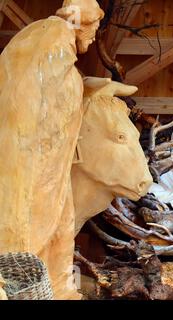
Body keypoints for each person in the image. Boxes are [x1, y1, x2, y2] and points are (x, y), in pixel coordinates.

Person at [0, 0, 104, 299]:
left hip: (52, 162)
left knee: (58, 227)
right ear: (81, 20)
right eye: (94, 26)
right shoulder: (54, 34)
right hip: (34, 160)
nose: (95, 35)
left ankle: (58, 289)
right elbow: (29, 97)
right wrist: (29, 153)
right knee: (31, 228)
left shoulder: (59, 46)